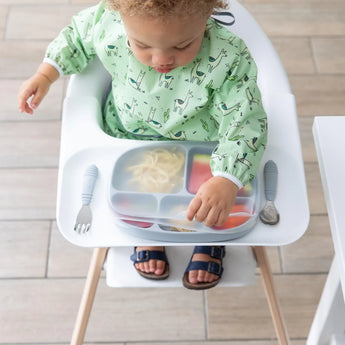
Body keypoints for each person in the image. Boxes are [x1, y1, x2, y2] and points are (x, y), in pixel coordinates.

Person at [17, 0, 267, 290]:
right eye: (142, 45)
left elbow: (245, 120)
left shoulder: (228, 57)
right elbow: (77, 34)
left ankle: (206, 238)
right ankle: (149, 231)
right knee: (140, 200)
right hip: (128, 136)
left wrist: (227, 178)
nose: (161, 60)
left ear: (207, 16)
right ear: (120, 18)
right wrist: (46, 74)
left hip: (202, 147)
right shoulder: (109, 23)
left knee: (208, 202)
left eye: (182, 45)